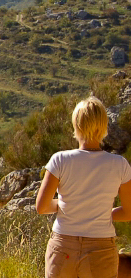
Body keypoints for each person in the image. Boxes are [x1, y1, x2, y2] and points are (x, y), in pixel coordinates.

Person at [36, 96, 131, 277]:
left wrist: (66, 204)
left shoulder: (60, 160)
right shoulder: (120, 164)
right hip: (101, 248)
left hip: (63, 247)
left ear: (76, 126)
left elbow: (42, 207)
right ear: (104, 126)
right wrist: (101, 212)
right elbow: (128, 212)